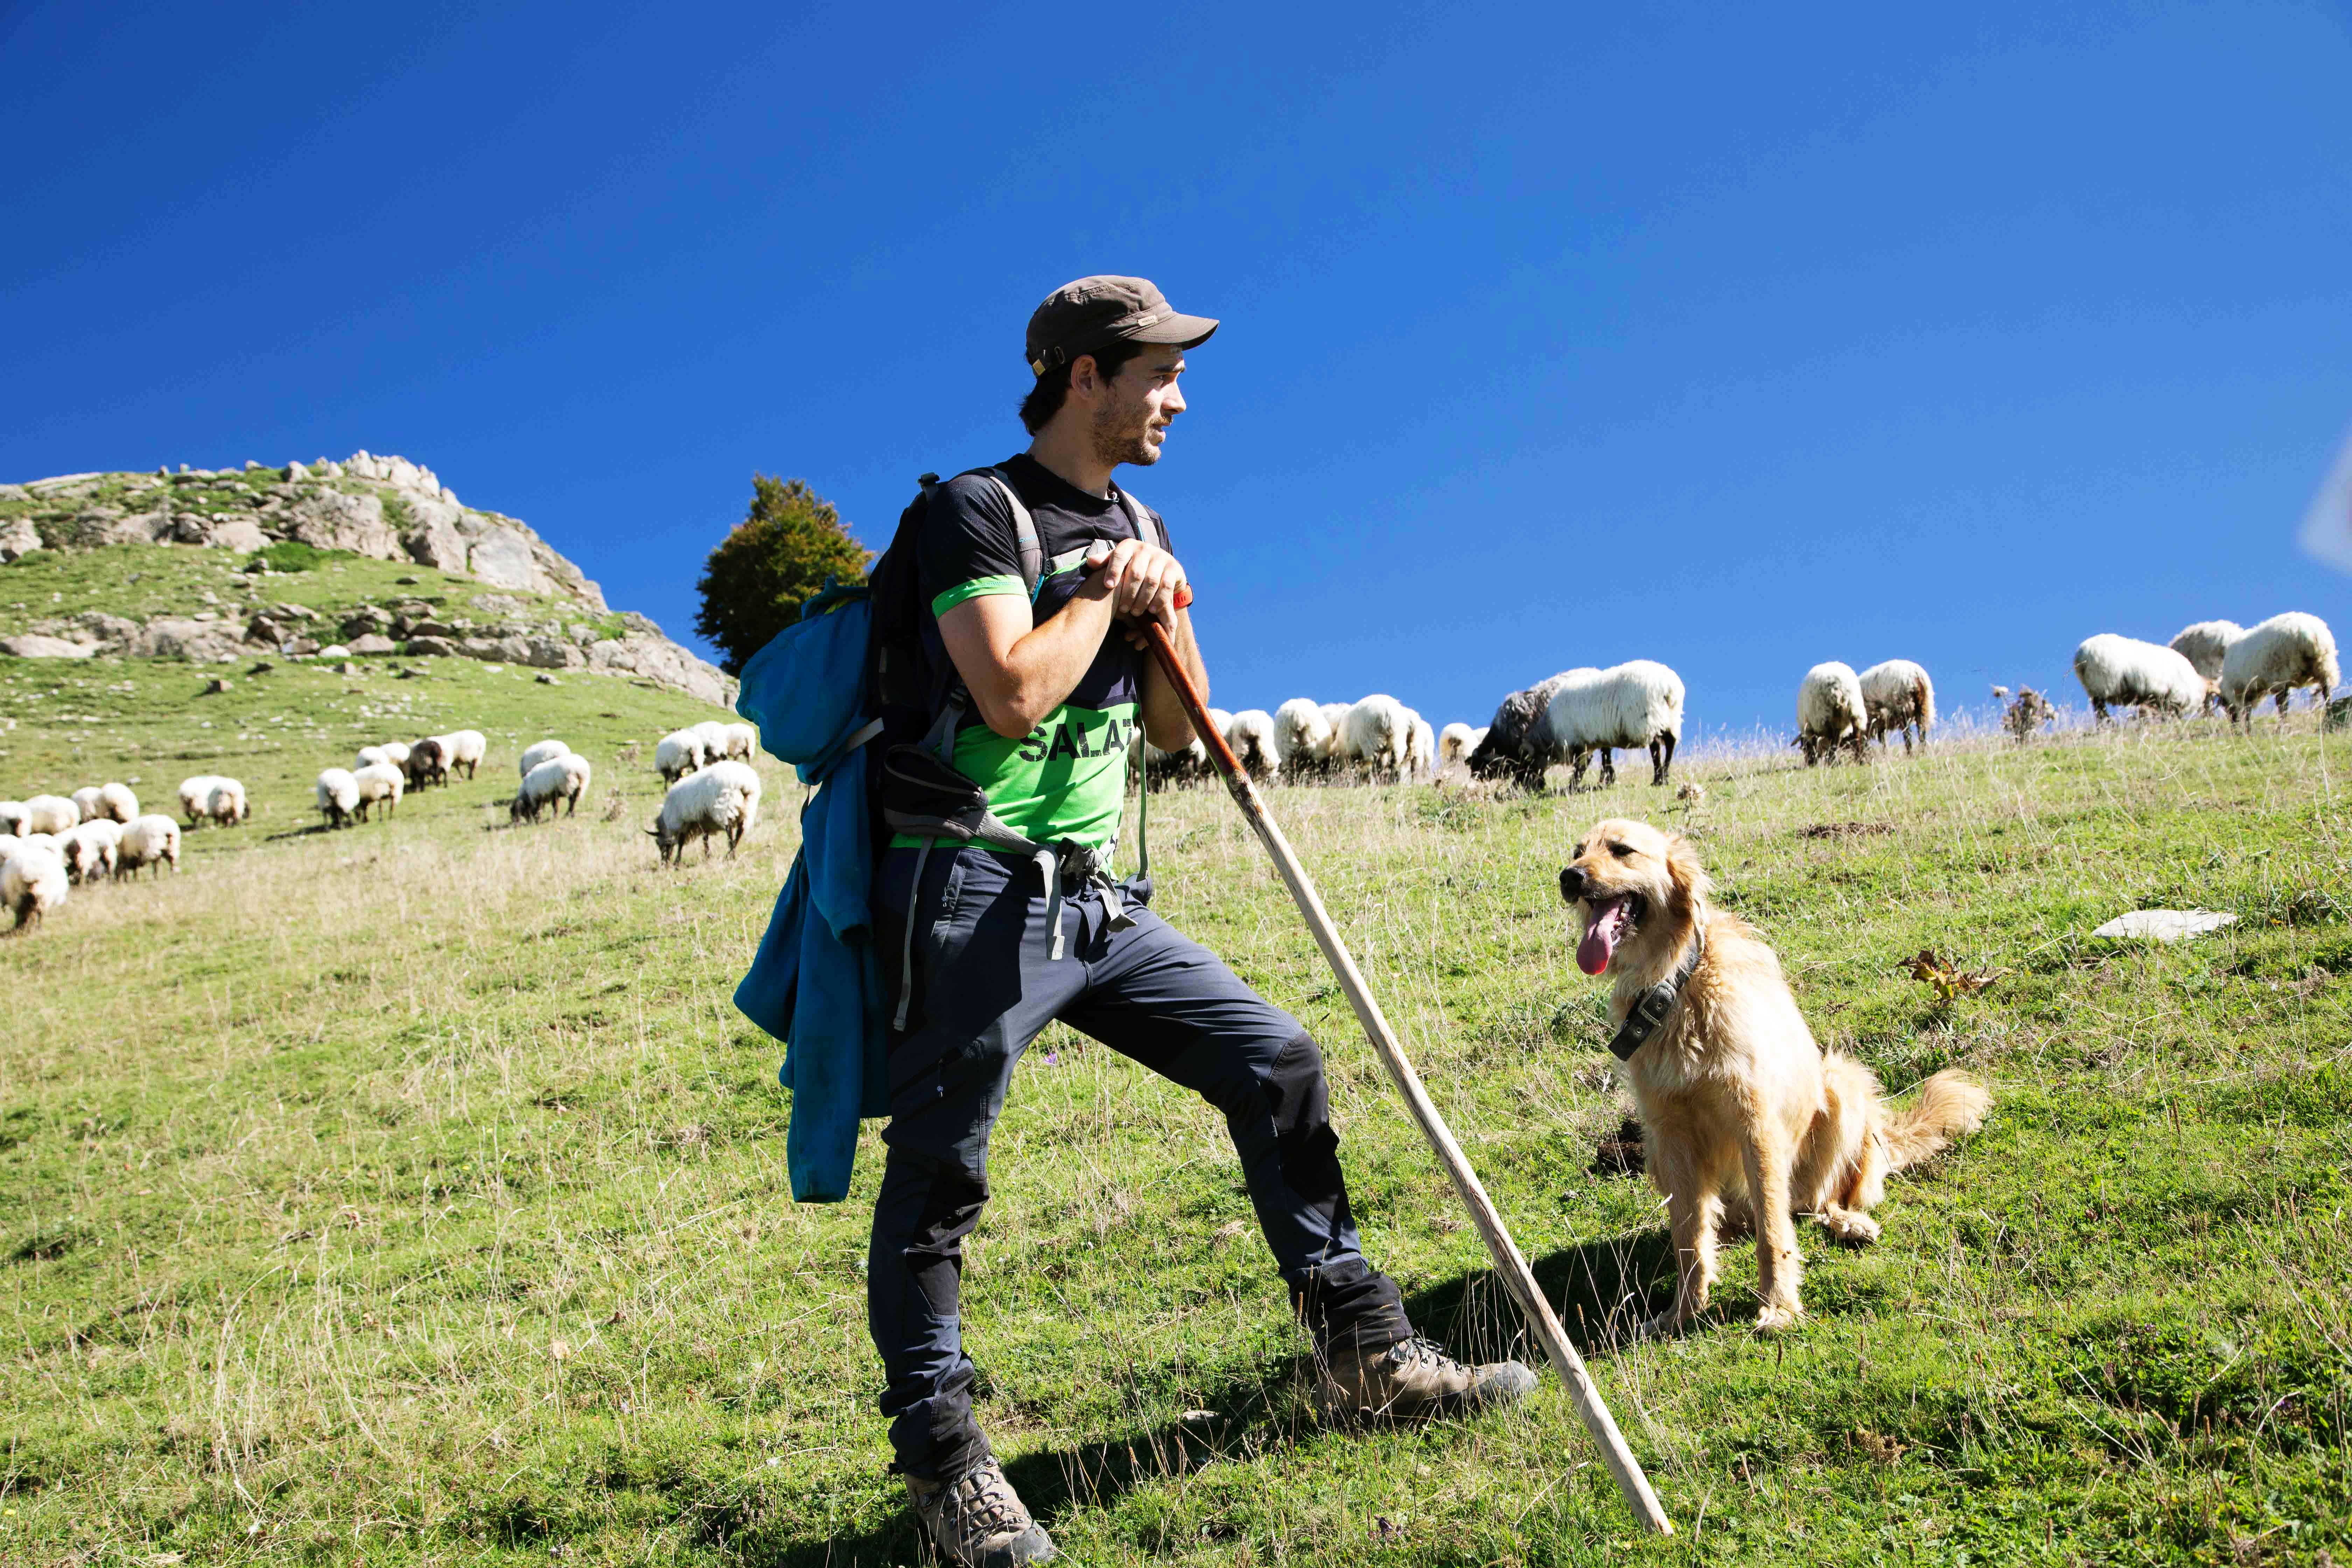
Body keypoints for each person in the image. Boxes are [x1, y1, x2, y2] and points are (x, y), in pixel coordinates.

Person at [869, 275, 1534, 1567]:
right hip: (970, 882)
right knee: (942, 1172)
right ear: (1083, 378)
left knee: (1275, 1058)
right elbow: (1009, 695)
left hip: (1098, 897)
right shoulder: (975, 513)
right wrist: (1097, 599)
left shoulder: (1140, 515)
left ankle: (1364, 1356)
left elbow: (1176, 730)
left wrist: (1164, 600)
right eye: (1157, 371)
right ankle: (949, 1475)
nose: (1178, 394)